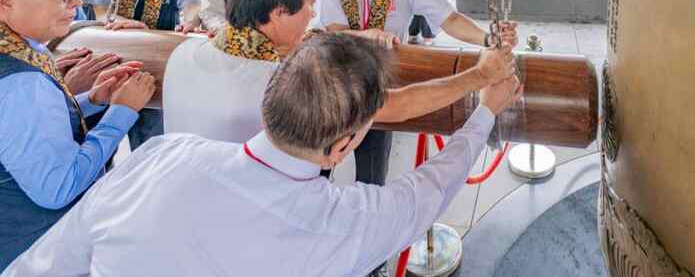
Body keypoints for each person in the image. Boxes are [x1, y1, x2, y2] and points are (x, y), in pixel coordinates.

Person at [3, 32, 521, 277]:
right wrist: (485, 108)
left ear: (270, 104)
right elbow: (430, 189)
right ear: (344, 145)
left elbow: (44, 266)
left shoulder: (162, 155)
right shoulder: (345, 223)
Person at [164, 0, 515, 145]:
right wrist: (481, 74)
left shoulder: (184, 54)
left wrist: (356, 36)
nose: (313, 14)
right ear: (277, 12)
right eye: (307, 6)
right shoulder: (288, 83)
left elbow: (312, 38)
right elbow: (399, 105)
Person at [315, 0, 518, 202]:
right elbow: (333, 30)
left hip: (381, 85)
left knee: (372, 171)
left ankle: (369, 227)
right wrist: (366, 36)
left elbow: (449, 19)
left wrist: (488, 37)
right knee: (318, 158)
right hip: (334, 83)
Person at [0, 0, 155, 269]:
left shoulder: (16, 54)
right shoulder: (20, 81)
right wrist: (121, 114)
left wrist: (90, 101)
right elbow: (58, 187)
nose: (77, 3)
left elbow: (17, 130)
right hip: (31, 256)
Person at [83, 0, 201, 149]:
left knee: (150, 147)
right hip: (103, 67)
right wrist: (121, 23)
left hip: (151, 72)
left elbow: (191, 8)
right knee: (96, 145)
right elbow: (102, 13)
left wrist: (191, 22)